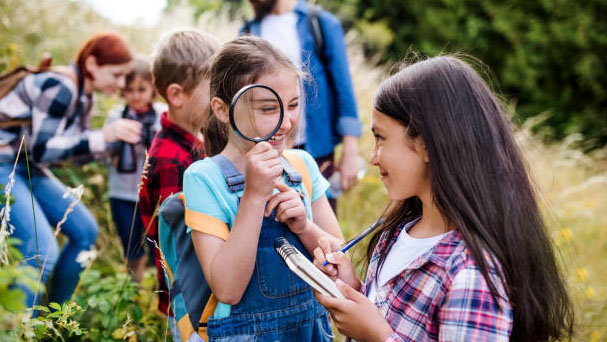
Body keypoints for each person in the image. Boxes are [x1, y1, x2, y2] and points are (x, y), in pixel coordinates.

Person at [313, 56, 574, 341]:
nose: (373, 157)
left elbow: (385, 332)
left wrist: (378, 337)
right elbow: (396, 316)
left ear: (426, 145)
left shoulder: (472, 275)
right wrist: (351, 287)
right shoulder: (398, 231)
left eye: (381, 138)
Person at [183, 36, 343, 341]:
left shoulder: (303, 167)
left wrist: (304, 226)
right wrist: (254, 197)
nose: (285, 122)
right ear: (220, 109)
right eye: (269, 108)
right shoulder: (204, 178)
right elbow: (228, 289)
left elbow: (340, 261)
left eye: (293, 105)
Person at [0, 33, 139, 308]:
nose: (121, 84)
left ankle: (54, 317)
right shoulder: (62, 86)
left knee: (85, 231)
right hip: (5, 163)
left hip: (27, 166)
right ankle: (20, 330)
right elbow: (43, 150)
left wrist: (109, 147)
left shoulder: (85, 98)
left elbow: (68, 154)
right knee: (40, 251)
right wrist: (102, 136)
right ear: (92, 63)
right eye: (116, 74)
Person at [138, 28, 220, 341]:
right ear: (176, 94)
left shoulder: (192, 144)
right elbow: (183, 245)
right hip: (192, 305)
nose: (219, 97)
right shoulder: (172, 160)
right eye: (212, 87)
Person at [243, 0, 362, 211]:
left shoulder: (321, 23)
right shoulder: (249, 31)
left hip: (318, 149)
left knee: (322, 220)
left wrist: (350, 150)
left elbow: (343, 87)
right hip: (270, 148)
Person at [104, 58, 165, 283]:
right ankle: (133, 293)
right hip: (122, 193)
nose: (136, 96)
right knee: (131, 248)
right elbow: (102, 155)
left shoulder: (161, 116)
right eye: (129, 90)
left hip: (154, 194)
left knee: (159, 249)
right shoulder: (116, 117)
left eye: (142, 89)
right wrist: (116, 149)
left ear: (153, 89)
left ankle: (161, 296)